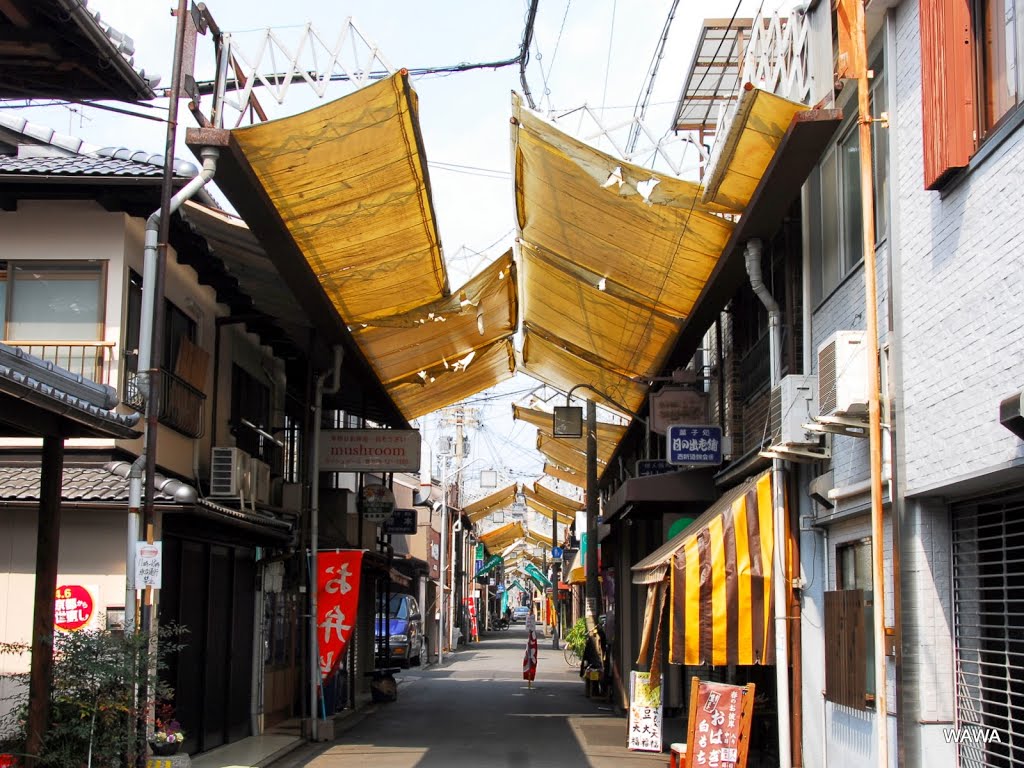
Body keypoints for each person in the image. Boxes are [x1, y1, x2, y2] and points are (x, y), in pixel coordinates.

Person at [522, 608, 538, 688]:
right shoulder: (529, 618)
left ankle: (530, 675)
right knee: (529, 657)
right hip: (531, 643)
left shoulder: (532, 619)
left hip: (532, 644)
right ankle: (528, 675)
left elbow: (532, 629)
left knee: (531, 658)